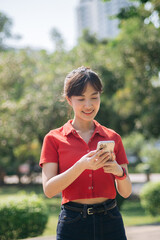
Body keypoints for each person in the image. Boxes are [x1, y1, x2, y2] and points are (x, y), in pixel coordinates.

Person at [39, 66, 132, 240]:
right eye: (81, 99)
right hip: (72, 223)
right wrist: (81, 166)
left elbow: (126, 192)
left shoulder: (113, 137)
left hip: (110, 220)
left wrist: (119, 172)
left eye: (94, 97)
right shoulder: (53, 138)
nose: (88, 105)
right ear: (69, 100)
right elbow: (49, 190)